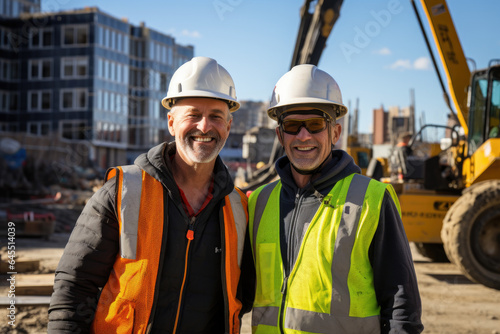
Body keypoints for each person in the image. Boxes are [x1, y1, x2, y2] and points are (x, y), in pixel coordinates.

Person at [48, 57, 255, 333]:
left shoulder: (238, 208)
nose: (205, 127)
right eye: (193, 114)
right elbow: (75, 286)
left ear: (228, 127)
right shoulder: (124, 191)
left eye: (216, 116)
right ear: (171, 122)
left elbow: (243, 296)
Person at [248, 64, 423, 333]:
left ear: (335, 133)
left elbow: (401, 305)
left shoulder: (371, 200)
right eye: (293, 125)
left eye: (316, 124)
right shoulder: (259, 202)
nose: (303, 135)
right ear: (280, 135)